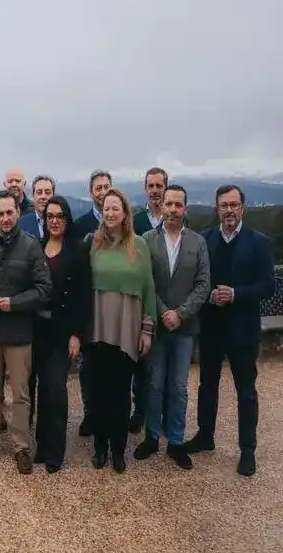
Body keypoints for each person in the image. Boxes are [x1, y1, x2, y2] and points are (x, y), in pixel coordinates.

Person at [186, 185, 275, 477]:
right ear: (217, 208)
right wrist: (209, 294)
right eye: (224, 205)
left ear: (243, 208)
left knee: (246, 391)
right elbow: (198, 280)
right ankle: (205, 436)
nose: (229, 210)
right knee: (207, 386)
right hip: (211, 328)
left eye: (234, 205)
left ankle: (247, 449)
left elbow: (268, 286)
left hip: (243, 330)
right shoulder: (205, 239)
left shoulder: (259, 242)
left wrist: (236, 293)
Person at [0, 190, 51, 475]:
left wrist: (14, 303)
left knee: (20, 394)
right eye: (0, 213)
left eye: (10, 212)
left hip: (18, 332)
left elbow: (44, 289)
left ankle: (20, 447)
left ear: (18, 212)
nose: (5, 218)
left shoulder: (31, 246)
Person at [134, 185, 209, 470]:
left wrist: (181, 313)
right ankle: (152, 437)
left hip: (185, 328)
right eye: (169, 204)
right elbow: (145, 282)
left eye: (178, 205)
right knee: (153, 384)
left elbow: (203, 284)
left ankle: (175, 441)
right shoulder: (146, 240)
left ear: (185, 208)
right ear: (161, 207)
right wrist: (164, 312)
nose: (173, 210)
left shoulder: (198, 243)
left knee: (178, 387)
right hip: (157, 325)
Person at [84, 189, 156, 474]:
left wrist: (147, 329)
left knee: (120, 393)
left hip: (127, 327)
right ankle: (100, 447)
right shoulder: (93, 243)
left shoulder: (138, 245)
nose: (110, 213)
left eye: (116, 208)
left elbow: (149, 288)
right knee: (99, 392)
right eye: (106, 208)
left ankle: (118, 449)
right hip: (98, 329)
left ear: (125, 213)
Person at [31, 196, 91, 473]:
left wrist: (77, 334)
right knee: (42, 389)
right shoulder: (38, 247)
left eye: (60, 216)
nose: (54, 221)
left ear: (66, 219)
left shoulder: (77, 252)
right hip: (36, 330)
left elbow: (83, 297)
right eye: (50, 216)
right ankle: (42, 445)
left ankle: (56, 450)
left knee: (56, 389)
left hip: (62, 330)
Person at [74, 169, 114, 437]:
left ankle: (113, 414)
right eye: (97, 188)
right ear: (91, 192)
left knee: (113, 365)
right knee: (87, 368)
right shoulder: (81, 225)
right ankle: (90, 413)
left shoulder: (121, 221)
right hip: (89, 306)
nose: (101, 191)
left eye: (106, 187)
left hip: (114, 308)